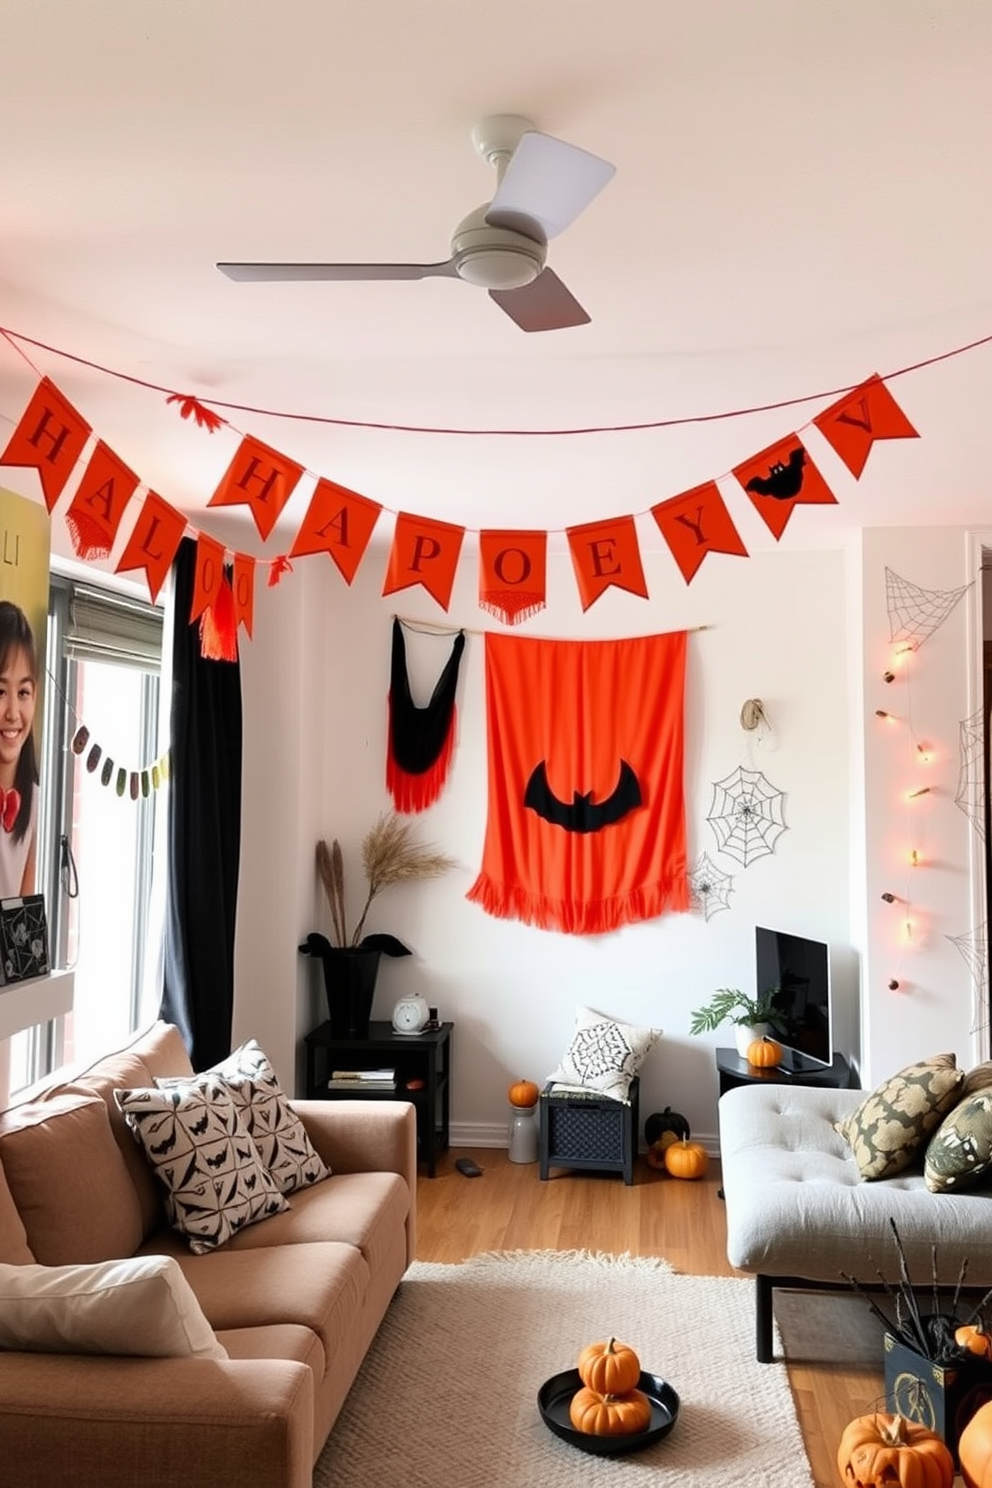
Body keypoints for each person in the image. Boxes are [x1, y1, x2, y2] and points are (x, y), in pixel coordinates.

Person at [0, 601, 39, 898]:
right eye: (0, 692)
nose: (13, 712)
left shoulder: (33, 799)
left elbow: (22, 930)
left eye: (23, 692)